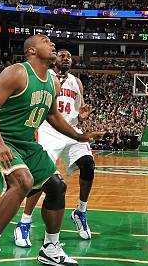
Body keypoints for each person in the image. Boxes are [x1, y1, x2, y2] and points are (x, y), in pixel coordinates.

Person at [0, 35, 103, 266]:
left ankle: (50, 247)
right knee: (23, 181)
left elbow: (52, 116)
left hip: (27, 143)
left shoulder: (53, 83)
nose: (51, 44)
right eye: (45, 40)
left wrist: (79, 136)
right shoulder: (17, 72)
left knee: (57, 187)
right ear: (31, 50)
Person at [14, 49, 97, 247]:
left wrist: (81, 117)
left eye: (69, 56)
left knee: (88, 164)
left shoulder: (76, 82)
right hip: (47, 130)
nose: (66, 58)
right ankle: (24, 222)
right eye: (62, 55)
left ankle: (81, 211)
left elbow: (78, 110)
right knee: (41, 177)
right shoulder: (45, 76)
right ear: (54, 60)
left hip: (71, 130)